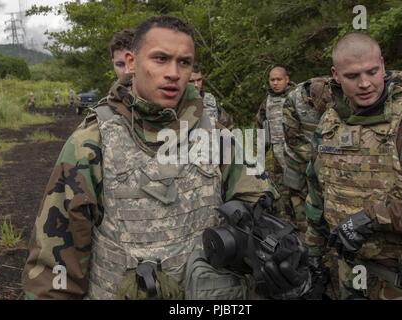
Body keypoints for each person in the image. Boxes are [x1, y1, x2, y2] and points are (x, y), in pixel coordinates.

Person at [21, 16, 310, 300]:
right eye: (160, 59)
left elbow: (258, 209)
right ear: (131, 63)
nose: (173, 72)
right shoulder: (90, 143)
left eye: (184, 62)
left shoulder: (218, 138)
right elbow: (56, 259)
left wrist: (273, 253)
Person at [304, 32, 402, 299]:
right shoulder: (329, 122)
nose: (365, 83)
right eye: (353, 76)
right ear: (336, 75)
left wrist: (371, 218)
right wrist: (313, 254)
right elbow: (318, 193)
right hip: (349, 273)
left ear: (383, 66)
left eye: (372, 72)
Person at [255, 66, 300, 228]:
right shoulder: (266, 102)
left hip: (297, 155)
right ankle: (287, 224)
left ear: (287, 79)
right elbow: (260, 128)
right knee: (281, 191)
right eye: (272, 80)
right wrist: (258, 156)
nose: (275, 83)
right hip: (276, 154)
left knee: (300, 190)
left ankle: (306, 226)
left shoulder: (297, 97)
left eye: (279, 79)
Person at [189, 64, 234, 129]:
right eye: (191, 81)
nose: (196, 85)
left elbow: (227, 124)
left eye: (199, 80)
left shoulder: (209, 100)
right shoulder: (176, 102)